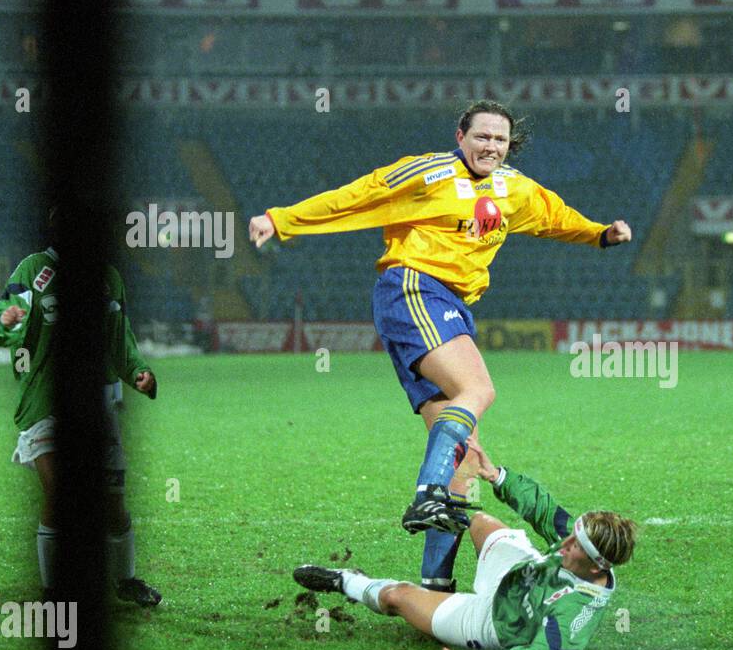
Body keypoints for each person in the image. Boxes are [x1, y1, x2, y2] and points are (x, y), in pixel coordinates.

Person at [248, 100, 632, 594]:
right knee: (477, 388)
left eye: (499, 139)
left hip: (449, 303)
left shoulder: (514, 189)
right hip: (413, 288)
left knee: (466, 460)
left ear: (508, 145)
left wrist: (600, 235)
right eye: (482, 137)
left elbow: (555, 218)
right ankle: (426, 492)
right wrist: (282, 220)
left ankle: (436, 585)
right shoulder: (428, 172)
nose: (490, 146)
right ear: (461, 136)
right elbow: (357, 197)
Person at [292, 439, 637, 650]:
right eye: (571, 535)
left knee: (395, 597)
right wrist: (498, 476)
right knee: (479, 520)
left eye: (574, 546)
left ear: (595, 566)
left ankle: (344, 579)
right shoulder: (576, 545)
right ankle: (439, 581)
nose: (564, 543)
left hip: (493, 621)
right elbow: (543, 509)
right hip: (518, 572)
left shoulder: (578, 607)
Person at [0, 242, 162, 605]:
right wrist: (6, 320)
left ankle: (125, 580)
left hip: (98, 403)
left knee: (113, 503)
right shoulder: (34, 271)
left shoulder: (109, 278)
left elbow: (120, 338)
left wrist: (138, 371)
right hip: (44, 401)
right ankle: (53, 593)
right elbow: (4, 313)